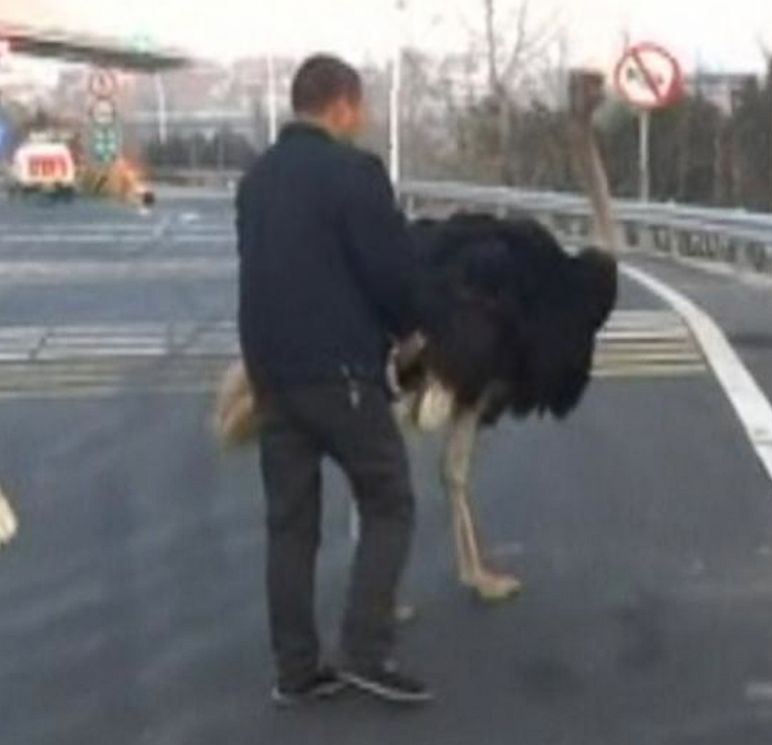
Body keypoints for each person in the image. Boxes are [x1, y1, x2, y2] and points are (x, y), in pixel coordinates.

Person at [235, 53, 431, 706]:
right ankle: (366, 650)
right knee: (389, 500)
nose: (364, 118)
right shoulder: (354, 174)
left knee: (290, 525)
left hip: (271, 377)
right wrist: (411, 333)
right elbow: (392, 273)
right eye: (362, 106)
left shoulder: (257, 179)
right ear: (342, 105)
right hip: (341, 374)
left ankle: (296, 669)